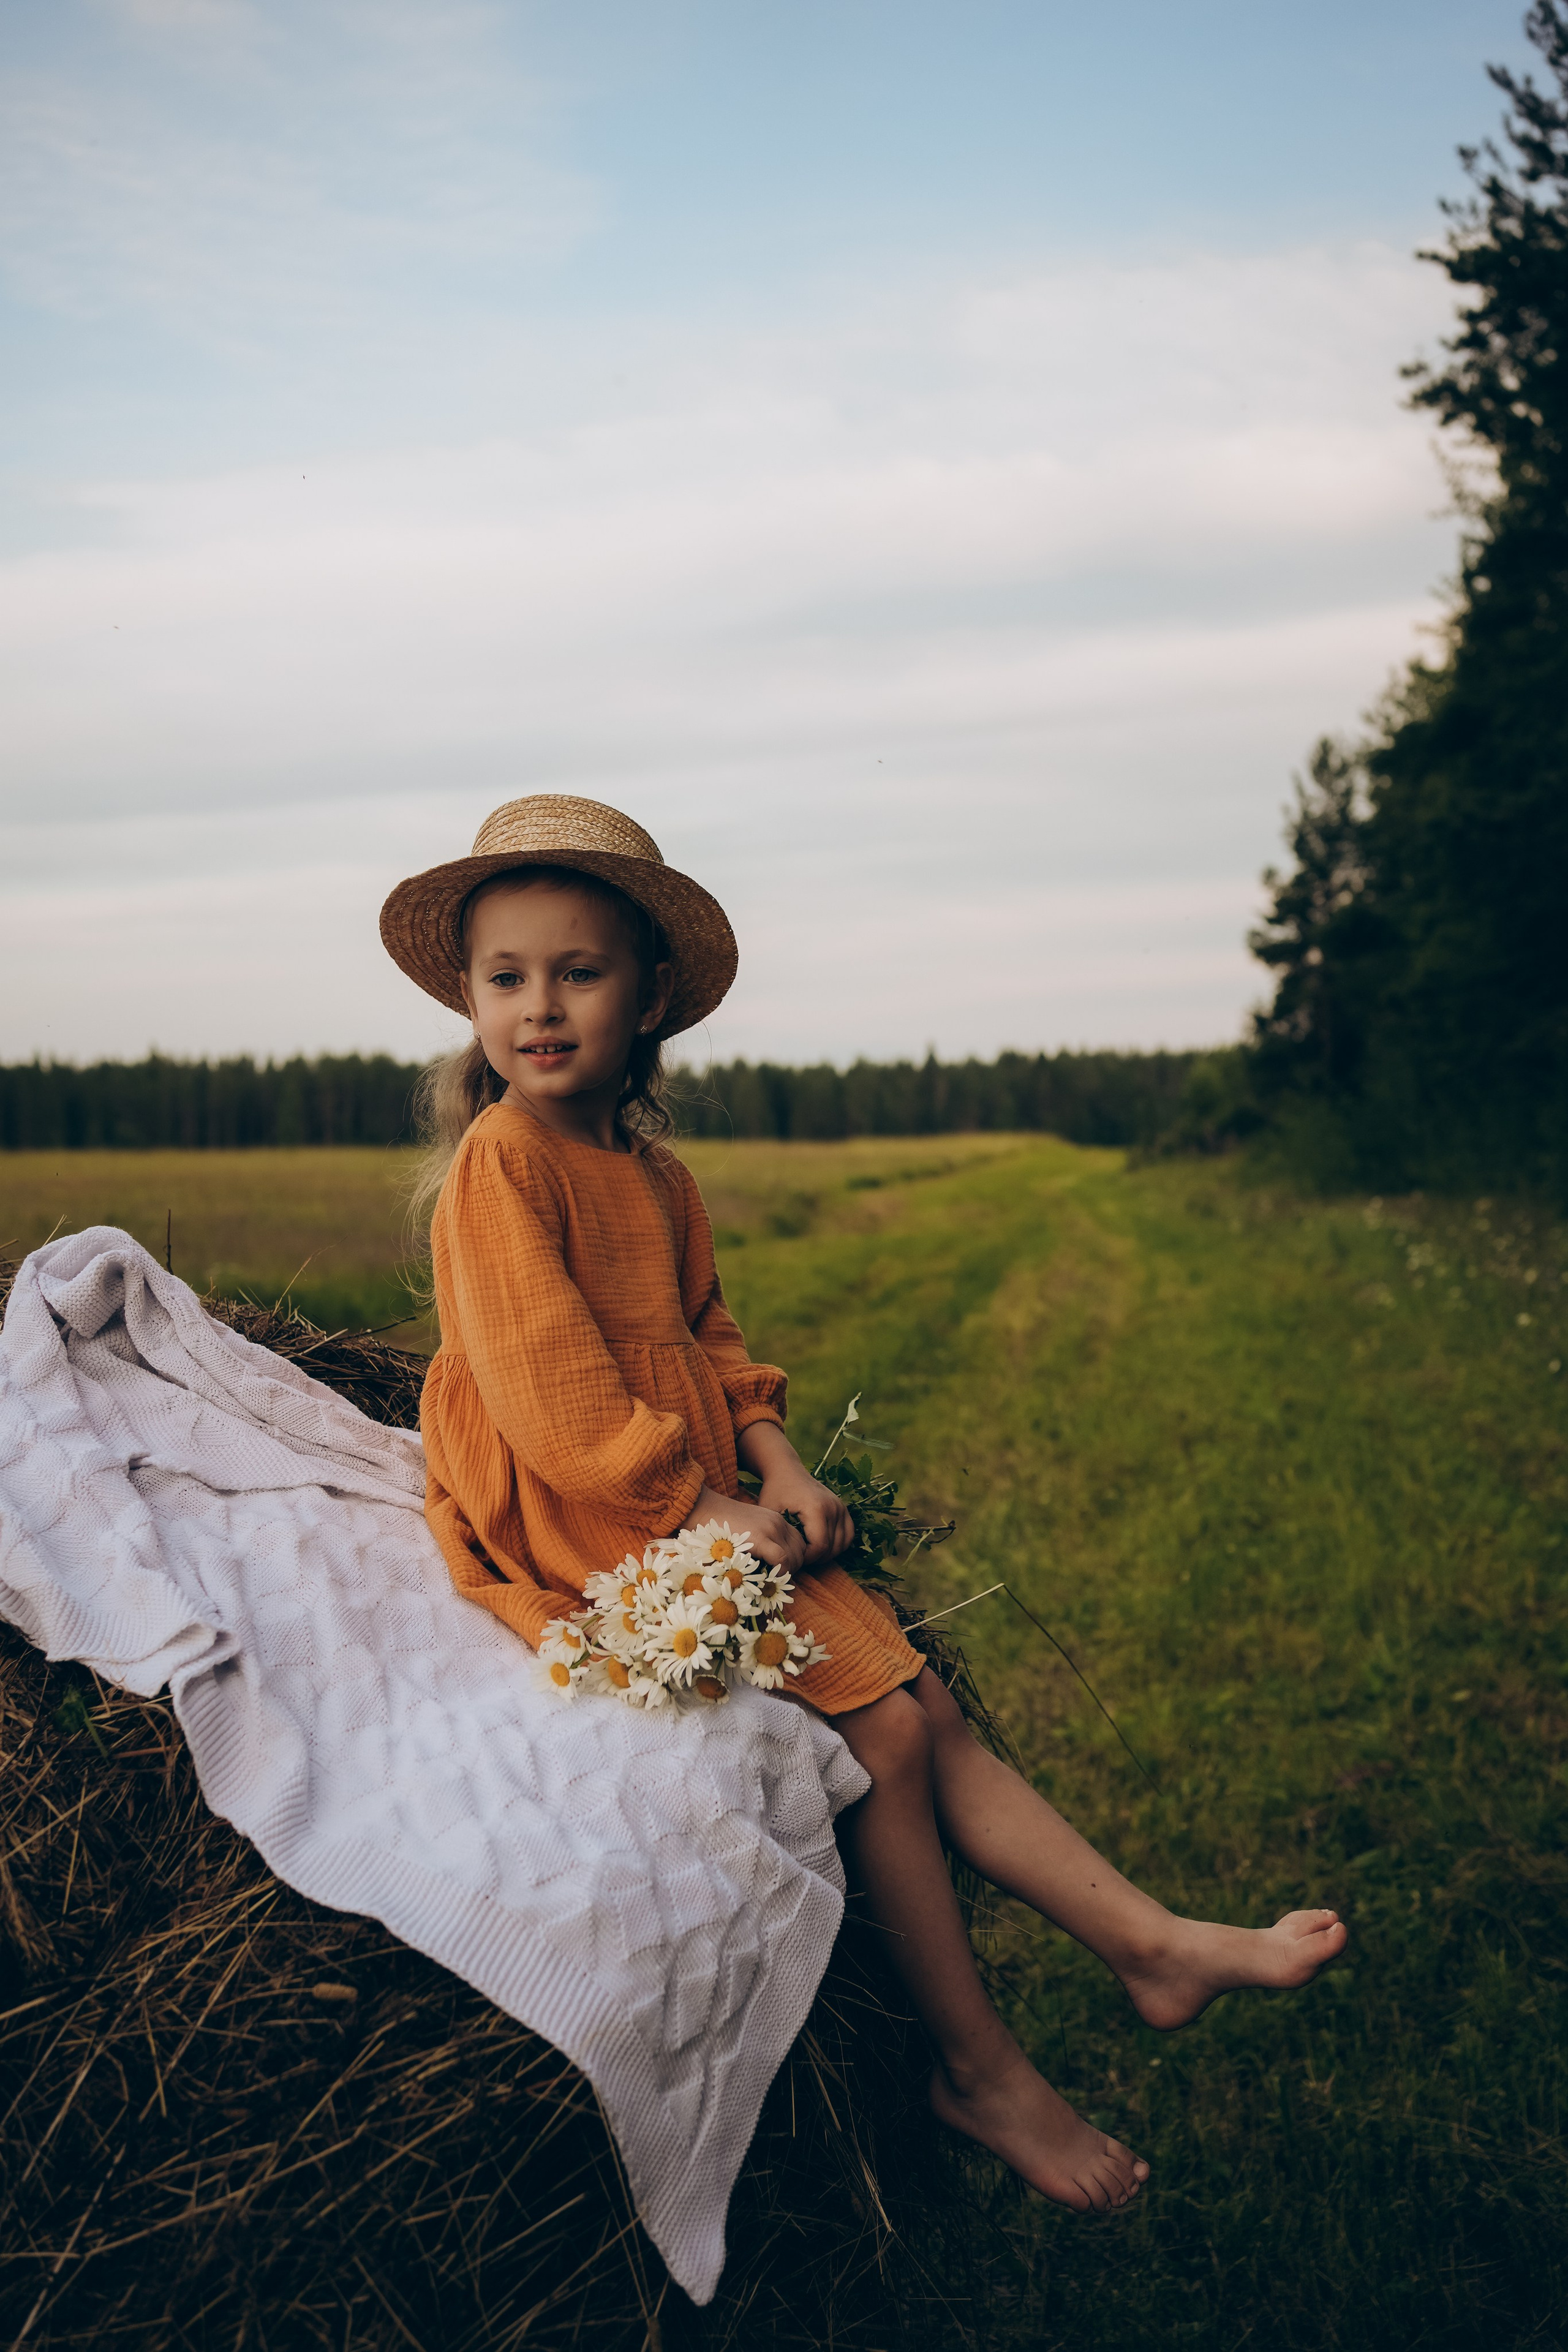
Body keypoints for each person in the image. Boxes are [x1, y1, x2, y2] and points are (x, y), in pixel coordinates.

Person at [380, 795, 1348, 2215]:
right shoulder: (501, 1165)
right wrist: (695, 1505)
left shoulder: (653, 1173)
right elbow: (547, 1392)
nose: (538, 1008)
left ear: (648, 998)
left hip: (691, 1495)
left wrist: (772, 1464)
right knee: (884, 1733)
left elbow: (707, 1338)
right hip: (587, 1508)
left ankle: (1148, 1945)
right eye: (504, 978)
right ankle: (978, 2069)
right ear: (467, 999)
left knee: (925, 1707)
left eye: (576, 973)